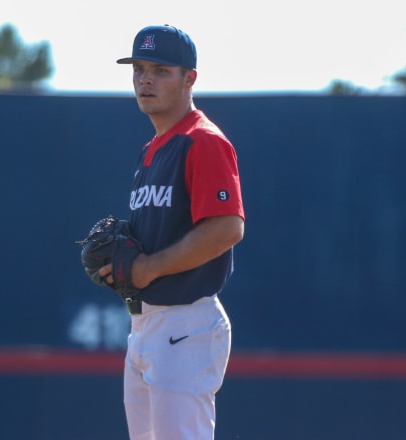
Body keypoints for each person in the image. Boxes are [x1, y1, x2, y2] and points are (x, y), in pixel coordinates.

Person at [98, 24, 245, 440]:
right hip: (147, 326)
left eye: (161, 70)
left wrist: (147, 268)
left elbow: (227, 226)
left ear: (189, 78)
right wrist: (123, 263)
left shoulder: (203, 141)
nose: (145, 79)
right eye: (139, 69)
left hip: (186, 322)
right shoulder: (153, 149)